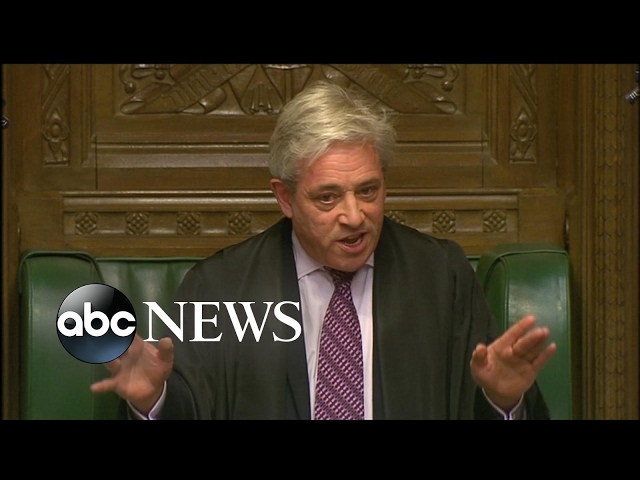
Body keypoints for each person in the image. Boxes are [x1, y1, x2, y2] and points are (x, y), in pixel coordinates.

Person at [90, 80, 556, 420]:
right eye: (328, 197)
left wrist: (505, 401)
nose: (354, 216)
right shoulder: (218, 288)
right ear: (285, 197)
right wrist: (153, 402)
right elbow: (190, 410)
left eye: (368, 191)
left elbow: (484, 405)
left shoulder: (441, 276)